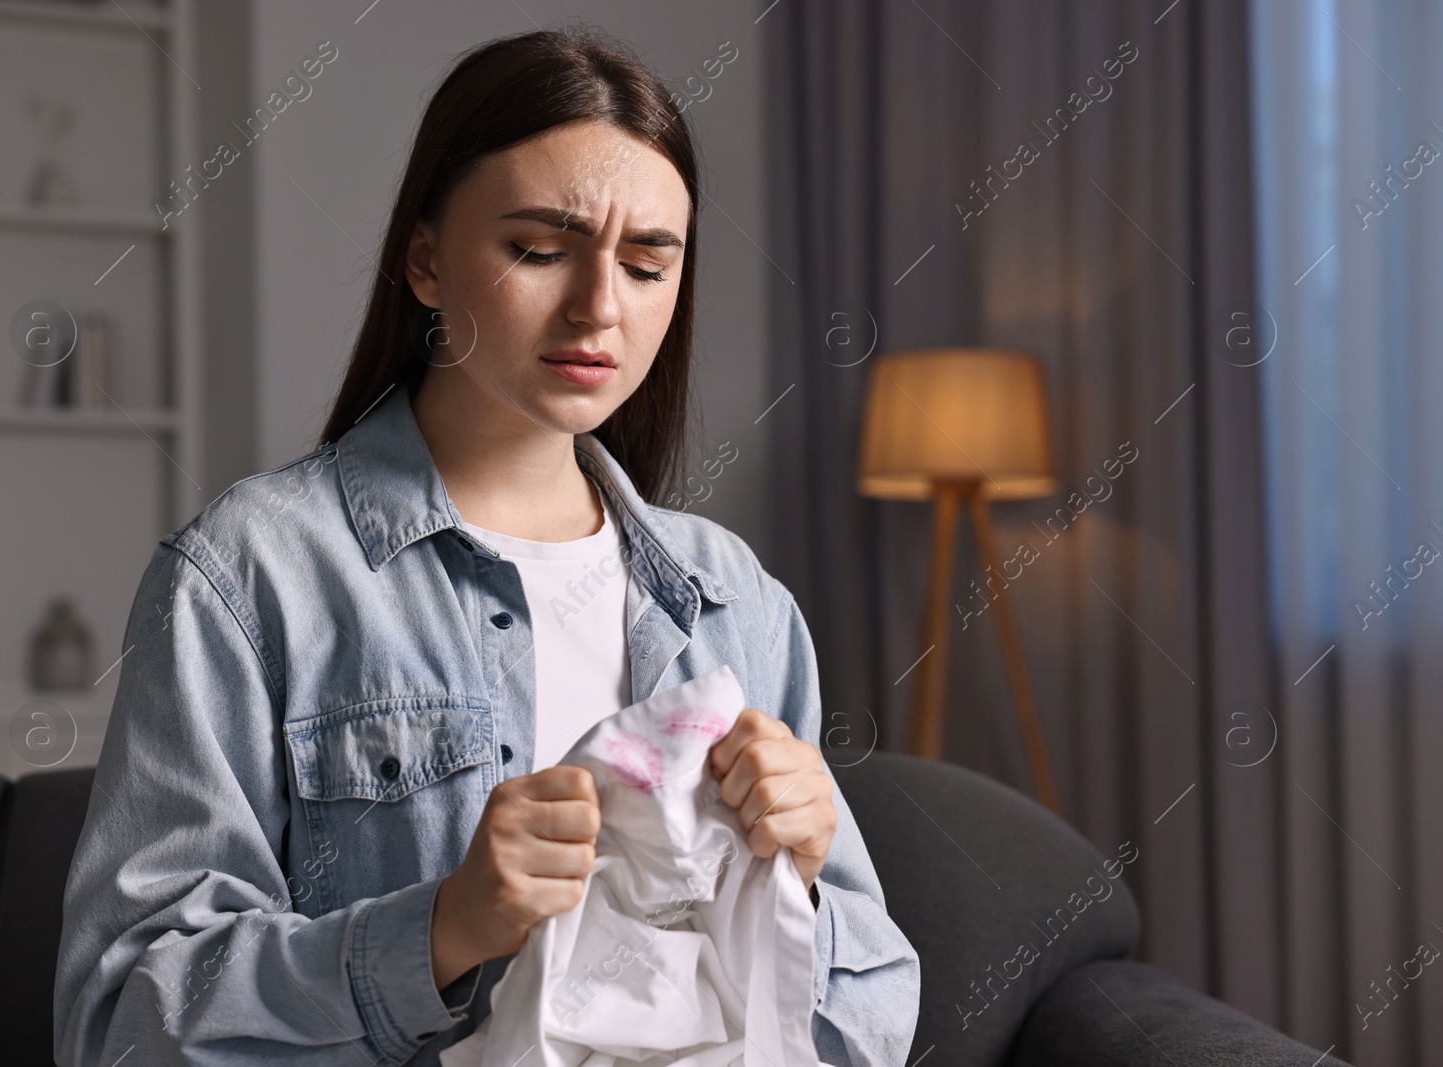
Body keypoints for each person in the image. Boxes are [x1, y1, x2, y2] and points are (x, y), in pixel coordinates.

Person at [53, 25, 920, 1067]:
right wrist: (441, 929)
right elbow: (119, 1024)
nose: (600, 305)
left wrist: (812, 874)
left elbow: (869, 1019)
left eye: (648, 264)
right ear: (426, 260)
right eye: (540, 250)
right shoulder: (249, 574)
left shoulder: (734, 598)